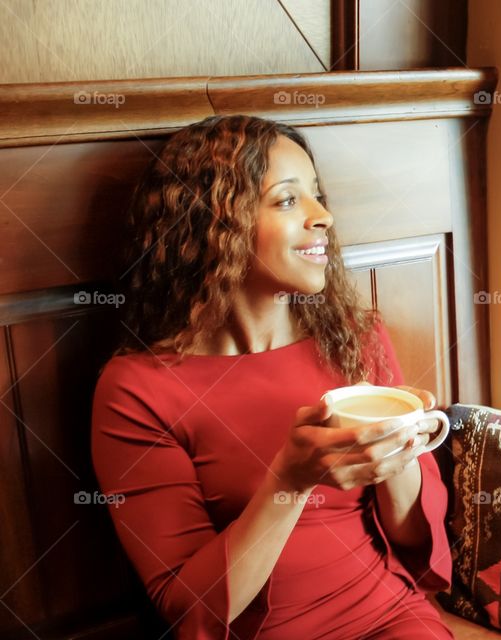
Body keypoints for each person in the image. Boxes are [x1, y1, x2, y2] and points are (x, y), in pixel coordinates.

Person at [90, 115, 453, 639]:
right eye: (286, 200)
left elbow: (413, 539)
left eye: (317, 195)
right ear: (212, 224)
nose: (324, 215)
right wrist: (290, 481)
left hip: (391, 617)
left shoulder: (356, 337)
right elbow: (191, 609)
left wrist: (400, 449)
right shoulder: (136, 389)